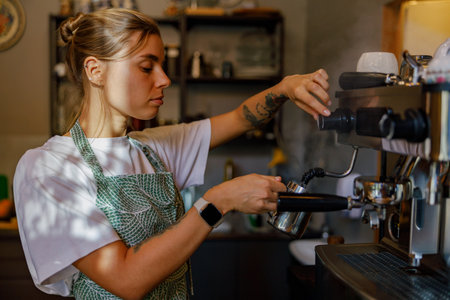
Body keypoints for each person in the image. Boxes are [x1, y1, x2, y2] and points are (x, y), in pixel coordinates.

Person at [13, 8, 331, 300]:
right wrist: (217, 202)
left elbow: (239, 118)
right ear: (95, 70)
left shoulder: (153, 147)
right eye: (146, 67)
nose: (165, 79)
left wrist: (284, 89)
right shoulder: (49, 167)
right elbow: (125, 280)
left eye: (161, 66)